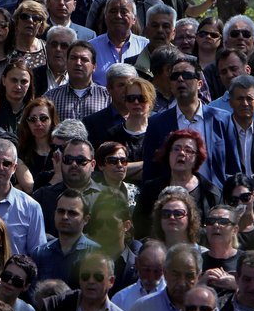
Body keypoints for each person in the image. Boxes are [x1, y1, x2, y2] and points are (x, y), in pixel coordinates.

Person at [141, 54, 240, 188]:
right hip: (172, 201)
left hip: (214, 200)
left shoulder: (222, 119)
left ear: (200, 84)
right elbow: (150, 172)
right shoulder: (156, 123)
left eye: (187, 75)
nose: (180, 79)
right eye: (175, 76)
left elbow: (233, 168)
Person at [131, 244, 228, 311]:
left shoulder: (208, 310)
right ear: (165, 273)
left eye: (189, 276)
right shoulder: (143, 309)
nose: (182, 283)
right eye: (176, 275)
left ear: (198, 277)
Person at [133, 130, 221, 239]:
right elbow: (140, 226)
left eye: (188, 150)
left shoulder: (211, 193)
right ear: (168, 154)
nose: (182, 153)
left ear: (197, 158)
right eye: (176, 149)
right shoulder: (151, 189)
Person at [33, 138, 105, 238]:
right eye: (68, 160)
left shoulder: (107, 197)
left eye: (81, 160)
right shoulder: (42, 196)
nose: (74, 164)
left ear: (92, 165)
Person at [31, 188, 101, 285]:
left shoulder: (97, 253)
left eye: (72, 213)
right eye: (61, 211)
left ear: (86, 219)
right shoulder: (40, 253)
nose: (65, 217)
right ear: (54, 214)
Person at [89, 0, 149, 85]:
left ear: (134, 19)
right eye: (113, 11)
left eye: (124, 12)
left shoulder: (145, 46)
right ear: (105, 17)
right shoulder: (91, 48)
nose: (118, 16)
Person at [43, 41, 110, 121]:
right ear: (67, 63)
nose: (78, 63)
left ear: (94, 67)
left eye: (84, 59)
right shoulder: (51, 97)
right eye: (73, 58)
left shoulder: (107, 97)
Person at [83, 63, 138, 151]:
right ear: (109, 88)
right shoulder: (92, 123)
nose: (127, 89)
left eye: (130, 85)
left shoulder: (149, 119)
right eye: (121, 85)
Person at [111, 239, 167, 311]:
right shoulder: (120, 299)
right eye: (146, 270)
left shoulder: (174, 298)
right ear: (137, 263)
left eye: (157, 271)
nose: (151, 277)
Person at [221, 174, 254, 252]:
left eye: (245, 197)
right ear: (226, 202)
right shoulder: (221, 231)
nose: (240, 203)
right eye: (233, 200)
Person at [128, 3, 177, 77]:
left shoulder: (186, 63)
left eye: (165, 26)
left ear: (173, 33)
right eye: (155, 26)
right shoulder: (130, 66)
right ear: (146, 31)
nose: (160, 30)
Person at [16, 97, 60, 181]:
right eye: (32, 119)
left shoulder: (61, 150)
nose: (38, 123)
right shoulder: (20, 152)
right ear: (27, 123)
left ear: (52, 120)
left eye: (43, 118)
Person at [0, 59, 36, 135]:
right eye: (14, 80)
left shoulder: (35, 111)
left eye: (24, 82)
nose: (18, 87)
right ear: (4, 80)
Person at [7, 0, 48, 71]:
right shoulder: (5, 47)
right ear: (17, 21)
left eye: (36, 18)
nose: (30, 21)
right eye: (25, 16)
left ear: (41, 25)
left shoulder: (46, 49)